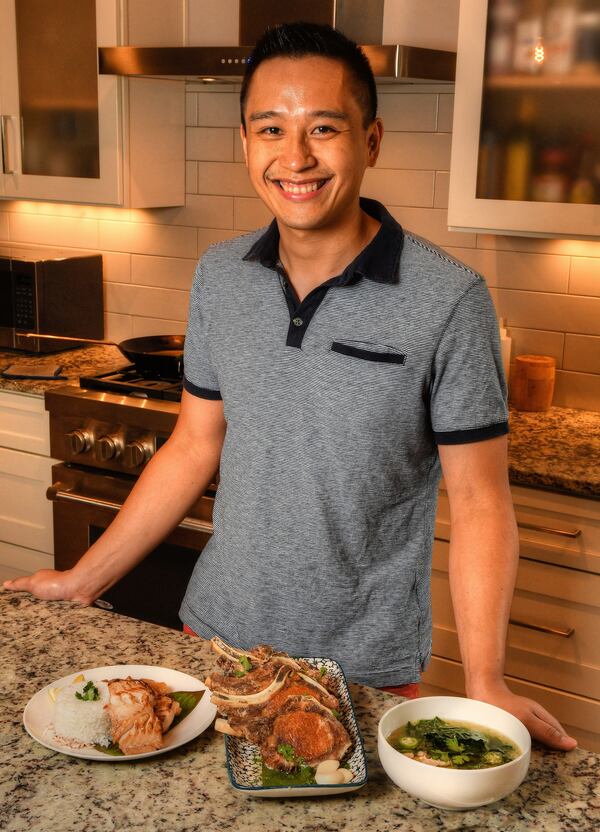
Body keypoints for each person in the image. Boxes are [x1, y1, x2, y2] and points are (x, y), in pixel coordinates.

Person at [4, 22, 576, 751]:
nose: (295, 156)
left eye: (324, 128)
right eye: (271, 128)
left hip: (361, 671)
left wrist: (486, 680)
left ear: (370, 141)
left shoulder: (450, 299)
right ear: (245, 142)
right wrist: (84, 578)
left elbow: (480, 500)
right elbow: (191, 446)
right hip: (214, 641)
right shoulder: (219, 274)